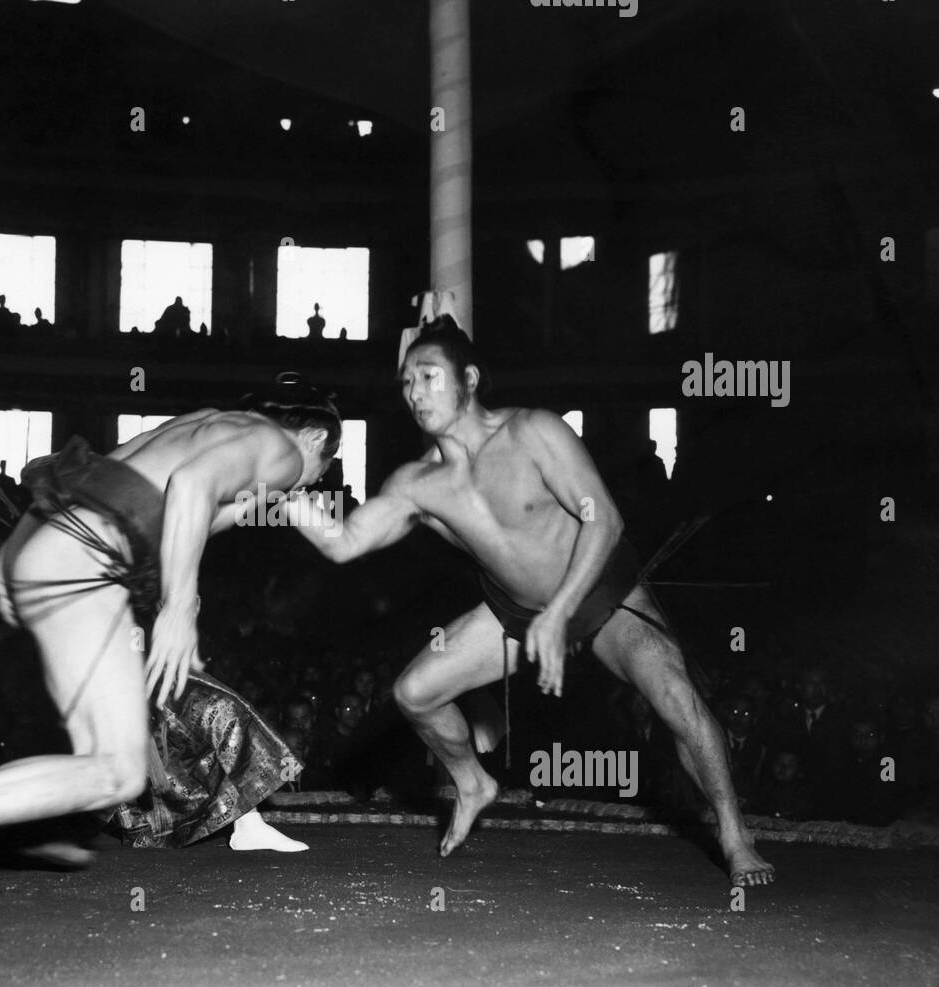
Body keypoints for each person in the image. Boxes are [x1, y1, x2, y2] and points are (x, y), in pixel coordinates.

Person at [290, 314, 775, 887]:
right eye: (407, 383)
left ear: (468, 379)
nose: (415, 393)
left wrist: (561, 611)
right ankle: (473, 782)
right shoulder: (417, 483)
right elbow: (343, 543)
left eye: (427, 376)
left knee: (676, 696)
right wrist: (280, 483)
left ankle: (735, 835)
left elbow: (605, 519)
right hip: (514, 613)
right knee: (414, 693)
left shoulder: (533, 432)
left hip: (602, 594)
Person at [0, 374, 338, 918]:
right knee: (117, 772)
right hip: (84, 562)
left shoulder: (206, 424)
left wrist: (15, 559)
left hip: (49, 549)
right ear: (318, 440)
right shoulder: (281, 450)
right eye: (322, 470)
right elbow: (191, 490)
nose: (311, 479)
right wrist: (180, 609)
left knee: (105, 770)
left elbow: (142, 492)